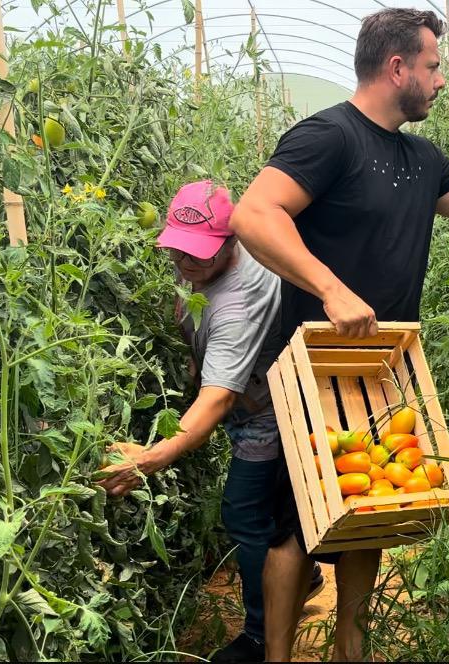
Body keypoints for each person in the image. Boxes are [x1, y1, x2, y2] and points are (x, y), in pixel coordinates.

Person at [229, 8, 449, 661]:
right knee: (290, 524)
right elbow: (253, 212)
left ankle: (351, 651)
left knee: (370, 511)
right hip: (312, 367)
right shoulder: (328, 138)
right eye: (432, 66)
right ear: (396, 67)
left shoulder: (421, 159)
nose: (441, 80)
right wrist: (331, 288)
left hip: (379, 366)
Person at [95, 180, 323, 663]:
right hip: (256, 397)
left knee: (243, 512)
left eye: (198, 255)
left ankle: (263, 632)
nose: (184, 264)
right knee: (264, 512)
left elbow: (218, 399)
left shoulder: (239, 305)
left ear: (232, 241)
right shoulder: (204, 263)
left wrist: (151, 457)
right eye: (176, 251)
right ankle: (302, 571)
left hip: (268, 413)